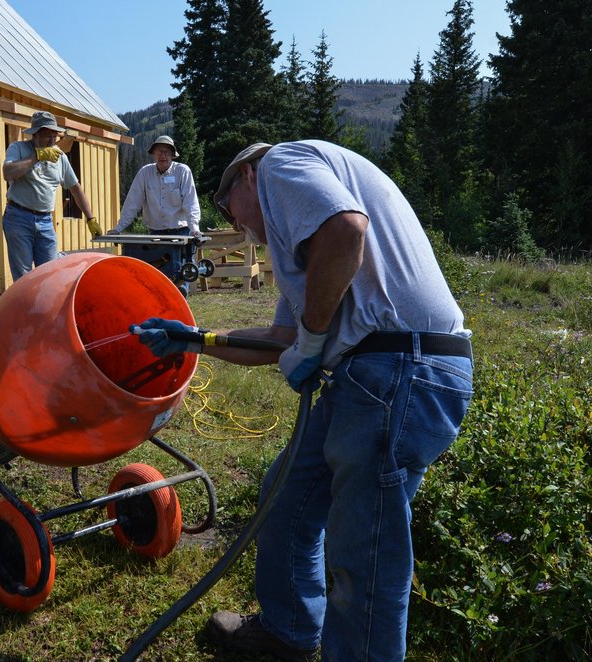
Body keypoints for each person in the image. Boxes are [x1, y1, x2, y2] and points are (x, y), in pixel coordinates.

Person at [135, 140, 474, 660]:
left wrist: (314, 341)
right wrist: (193, 337)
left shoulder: (280, 165)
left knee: (364, 547)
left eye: (230, 210)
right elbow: (280, 337)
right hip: (372, 373)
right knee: (286, 496)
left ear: (245, 176)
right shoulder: (306, 251)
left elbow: (347, 230)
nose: (241, 227)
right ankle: (288, 631)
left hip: (401, 370)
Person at [2, 110, 101, 281]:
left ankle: (45, 307)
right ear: (35, 134)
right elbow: (8, 173)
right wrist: (36, 157)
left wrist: (90, 219)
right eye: (47, 135)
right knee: (24, 276)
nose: (52, 140)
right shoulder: (18, 148)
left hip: (45, 221)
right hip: (18, 217)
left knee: (50, 273)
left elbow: (76, 188)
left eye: (54, 135)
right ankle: (26, 307)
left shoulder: (60, 157)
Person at [108, 135, 201, 293]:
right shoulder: (145, 173)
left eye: (166, 152)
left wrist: (195, 228)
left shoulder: (182, 171)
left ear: (172, 154)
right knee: (155, 278)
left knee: (180, 279)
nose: (162, 156)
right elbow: (132, 203)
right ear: (153, 154)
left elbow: (190, 203)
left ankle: (179, 311)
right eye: (159, 152)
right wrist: (118, 228)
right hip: (156, 234)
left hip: (181, 233)